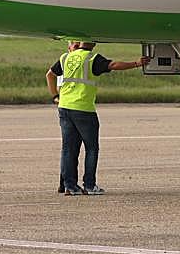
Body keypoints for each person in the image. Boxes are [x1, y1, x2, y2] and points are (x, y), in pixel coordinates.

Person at [46, 40, 150, 195]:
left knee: (68, 149)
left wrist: (55, 96)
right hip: (83, 109)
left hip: (65, 107)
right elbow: (113, 65)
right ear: (93, 44)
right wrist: (136, 63)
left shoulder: (65, 57)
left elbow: (50, 75)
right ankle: (89, 185)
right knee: (91, 148)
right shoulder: (92, 58)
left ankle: (70, 186)